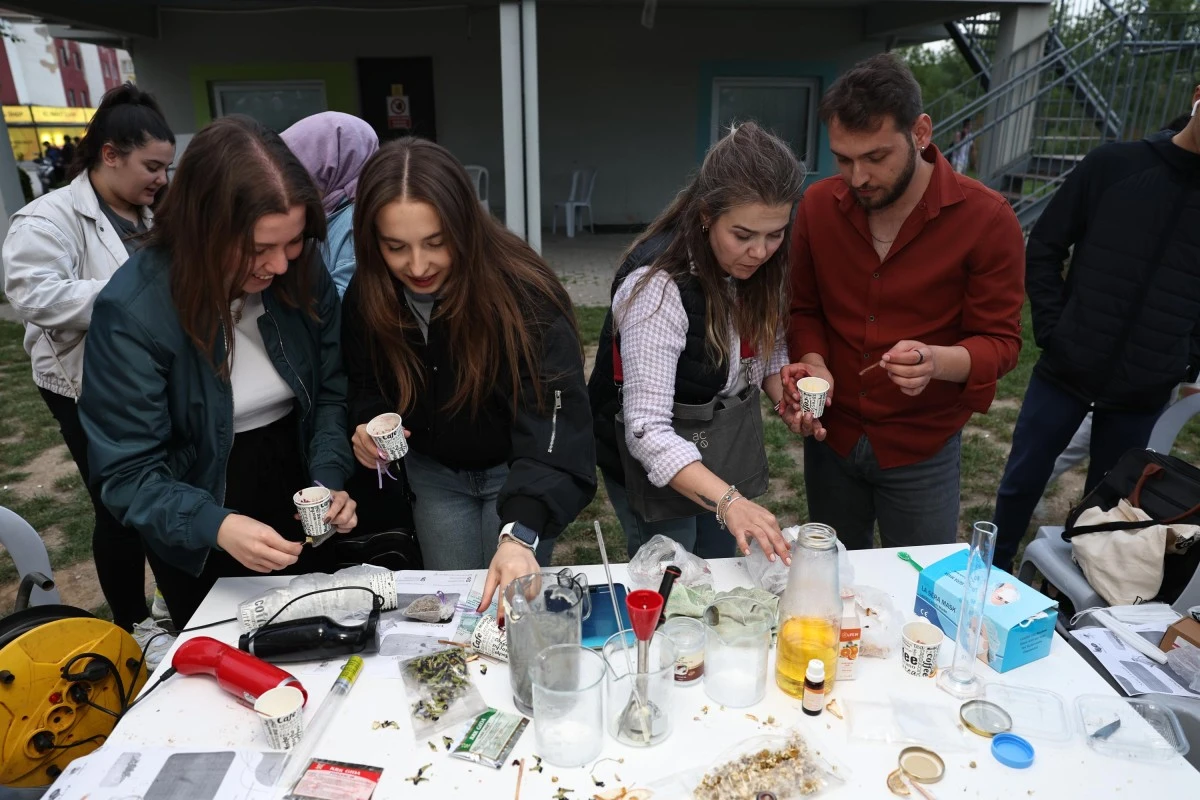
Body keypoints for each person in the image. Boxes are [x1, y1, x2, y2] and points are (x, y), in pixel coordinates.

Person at [78, 115, 359, 630]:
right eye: (256, 250)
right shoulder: (134, 310)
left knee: (323, 641)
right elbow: (128, 474)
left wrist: (329, 479)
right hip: (200, 515)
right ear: (201, 230)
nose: (278, 265)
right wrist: (216, 524)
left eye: (293, 242)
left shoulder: (301, 268)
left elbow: (331, 392)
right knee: (232, 664)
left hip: (297, 484)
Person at [341, 137, 596, 617]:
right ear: (372, 241)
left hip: (518, 468)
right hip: (435, 476)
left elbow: (556, 427)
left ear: (466, 226)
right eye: (396, 247)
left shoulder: (525, 297)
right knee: (456, 611)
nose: (417, 266)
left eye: (436, 243)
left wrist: (521, 532)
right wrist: (367, 421)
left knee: (515, 612)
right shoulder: (368, 293)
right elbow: (364, 380)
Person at [783, 53, 1025, 551]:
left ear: (920, 132)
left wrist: (937, 361)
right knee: (832, 578)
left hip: (923, 447)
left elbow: (1001, 343)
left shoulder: (988, 219)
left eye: (875, 158)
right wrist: (813, 362)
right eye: (843, 159)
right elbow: (802, 310)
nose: (857, 177)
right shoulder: (817, 208)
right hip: (833, 437)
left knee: (919, 595)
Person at [991, 86, 1200, 571]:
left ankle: (1074, 608)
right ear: (1195, 95)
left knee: (1106, 510)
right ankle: (989, 573)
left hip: (1143, 388)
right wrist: (1054, 328)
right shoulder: (1114, 165)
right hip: (1066, 368)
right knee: (1020, 483)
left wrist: (1185, 359)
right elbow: (1044, 246)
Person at [3, 84, 175, 652]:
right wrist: (136, 296)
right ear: (110, 154)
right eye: (151, 166)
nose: (160, 178)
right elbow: (35, 295)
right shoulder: (46, 219)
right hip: (84, 388)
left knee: (169, 487)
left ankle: (168, 599)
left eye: (165, 168)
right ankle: (132, 626)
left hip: (152, 378)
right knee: (118, 505)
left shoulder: (153, 210)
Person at [589, 122, 803, 562]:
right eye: (743, 235)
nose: (760, 253)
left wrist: (787, 393)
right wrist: (730, 502)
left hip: (714, 448)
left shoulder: (764, 266)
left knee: (722, 566)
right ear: (706, 214)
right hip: (652, 456)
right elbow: (647, 431)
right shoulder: (655, 287)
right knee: (676, 574)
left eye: (775, 234)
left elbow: (765, 349)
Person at [281, 112, 379, 297]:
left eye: (301, 169)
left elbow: (341, 308)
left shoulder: (355, 224)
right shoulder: (328, 211)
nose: (288, 182)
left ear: (331, 169)